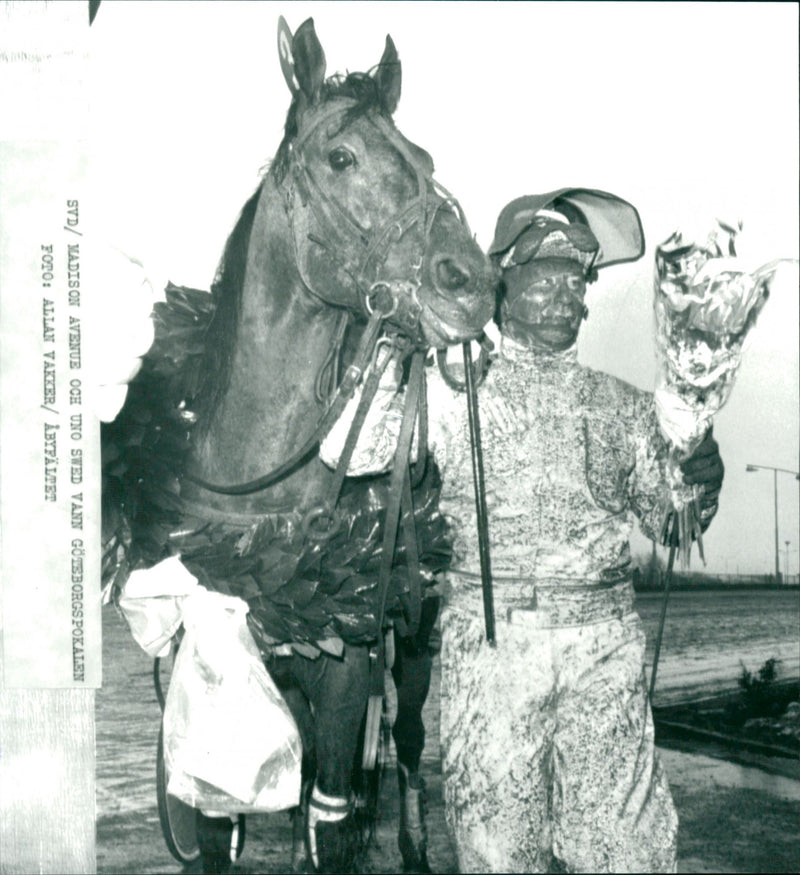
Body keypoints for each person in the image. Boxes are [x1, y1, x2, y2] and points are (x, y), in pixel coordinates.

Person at [320, 188, 725, 873]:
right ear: (502, 289)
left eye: (576, 284)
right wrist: (392, 355)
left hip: (605, 653)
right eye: (546, 280)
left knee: (623, 850)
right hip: (492, 646)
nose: (567, 297)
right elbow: (346, 451)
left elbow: (672, 517)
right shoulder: (452, 389)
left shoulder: (620, 405)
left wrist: (698, 469)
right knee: (499, 849)